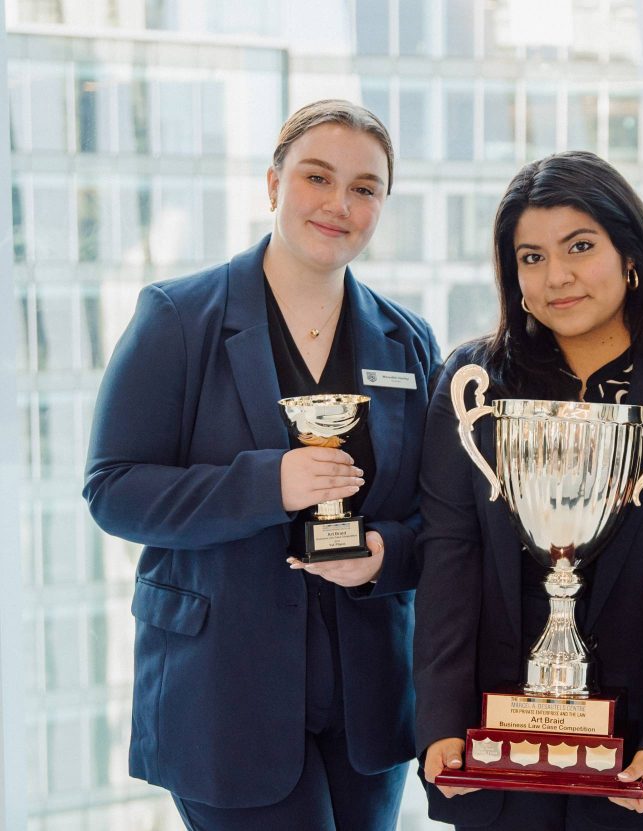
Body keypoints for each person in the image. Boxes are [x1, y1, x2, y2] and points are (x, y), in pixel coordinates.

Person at [83, 100, 440, 830]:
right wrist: (266, 484)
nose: (339, 204)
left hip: (368, 704)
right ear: (273, 183)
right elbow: (112, 489)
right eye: (318, 176)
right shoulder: (178, 319)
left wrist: (382, 555)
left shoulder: (409, 341)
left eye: (365, 188)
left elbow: (438, 517)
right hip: (221, 697)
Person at [415, 150, 643, 830]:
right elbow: (449, 554)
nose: (556, 276)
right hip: (494, 735)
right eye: (530, 257)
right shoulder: (472, 381)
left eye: (580, 246)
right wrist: (440, 719)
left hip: (640, 750)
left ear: (630, 251)